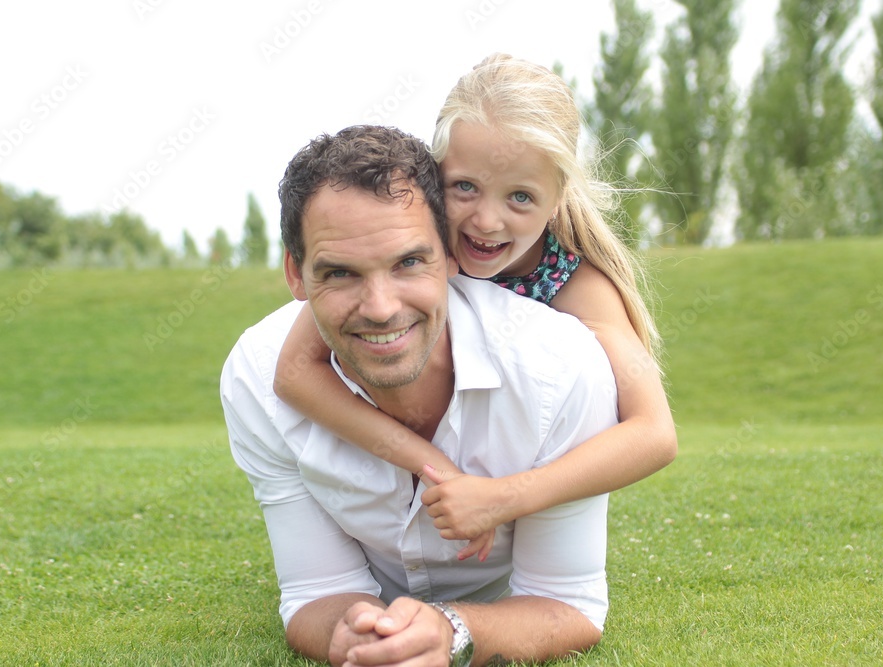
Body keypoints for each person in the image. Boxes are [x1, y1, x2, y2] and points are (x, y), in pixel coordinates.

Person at [222, 124, 619, 665]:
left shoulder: (561, 368)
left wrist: (449, 632)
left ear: (452, 256)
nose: (381, 307)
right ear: (296, 274)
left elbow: (566, 605)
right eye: (339, 273)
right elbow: (316, 591)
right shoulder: (256, 374)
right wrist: (351, 636)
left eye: (409, 262)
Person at [274, 53, 677, 561]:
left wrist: (503, 499)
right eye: (464, 187)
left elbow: (654, 434)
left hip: (525, 505)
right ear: (433, 175)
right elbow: (293, 373)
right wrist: (437, 469)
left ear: (558, 199)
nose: (486, 221)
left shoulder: (578, 286)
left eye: (521, 198)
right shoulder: (404, 255)